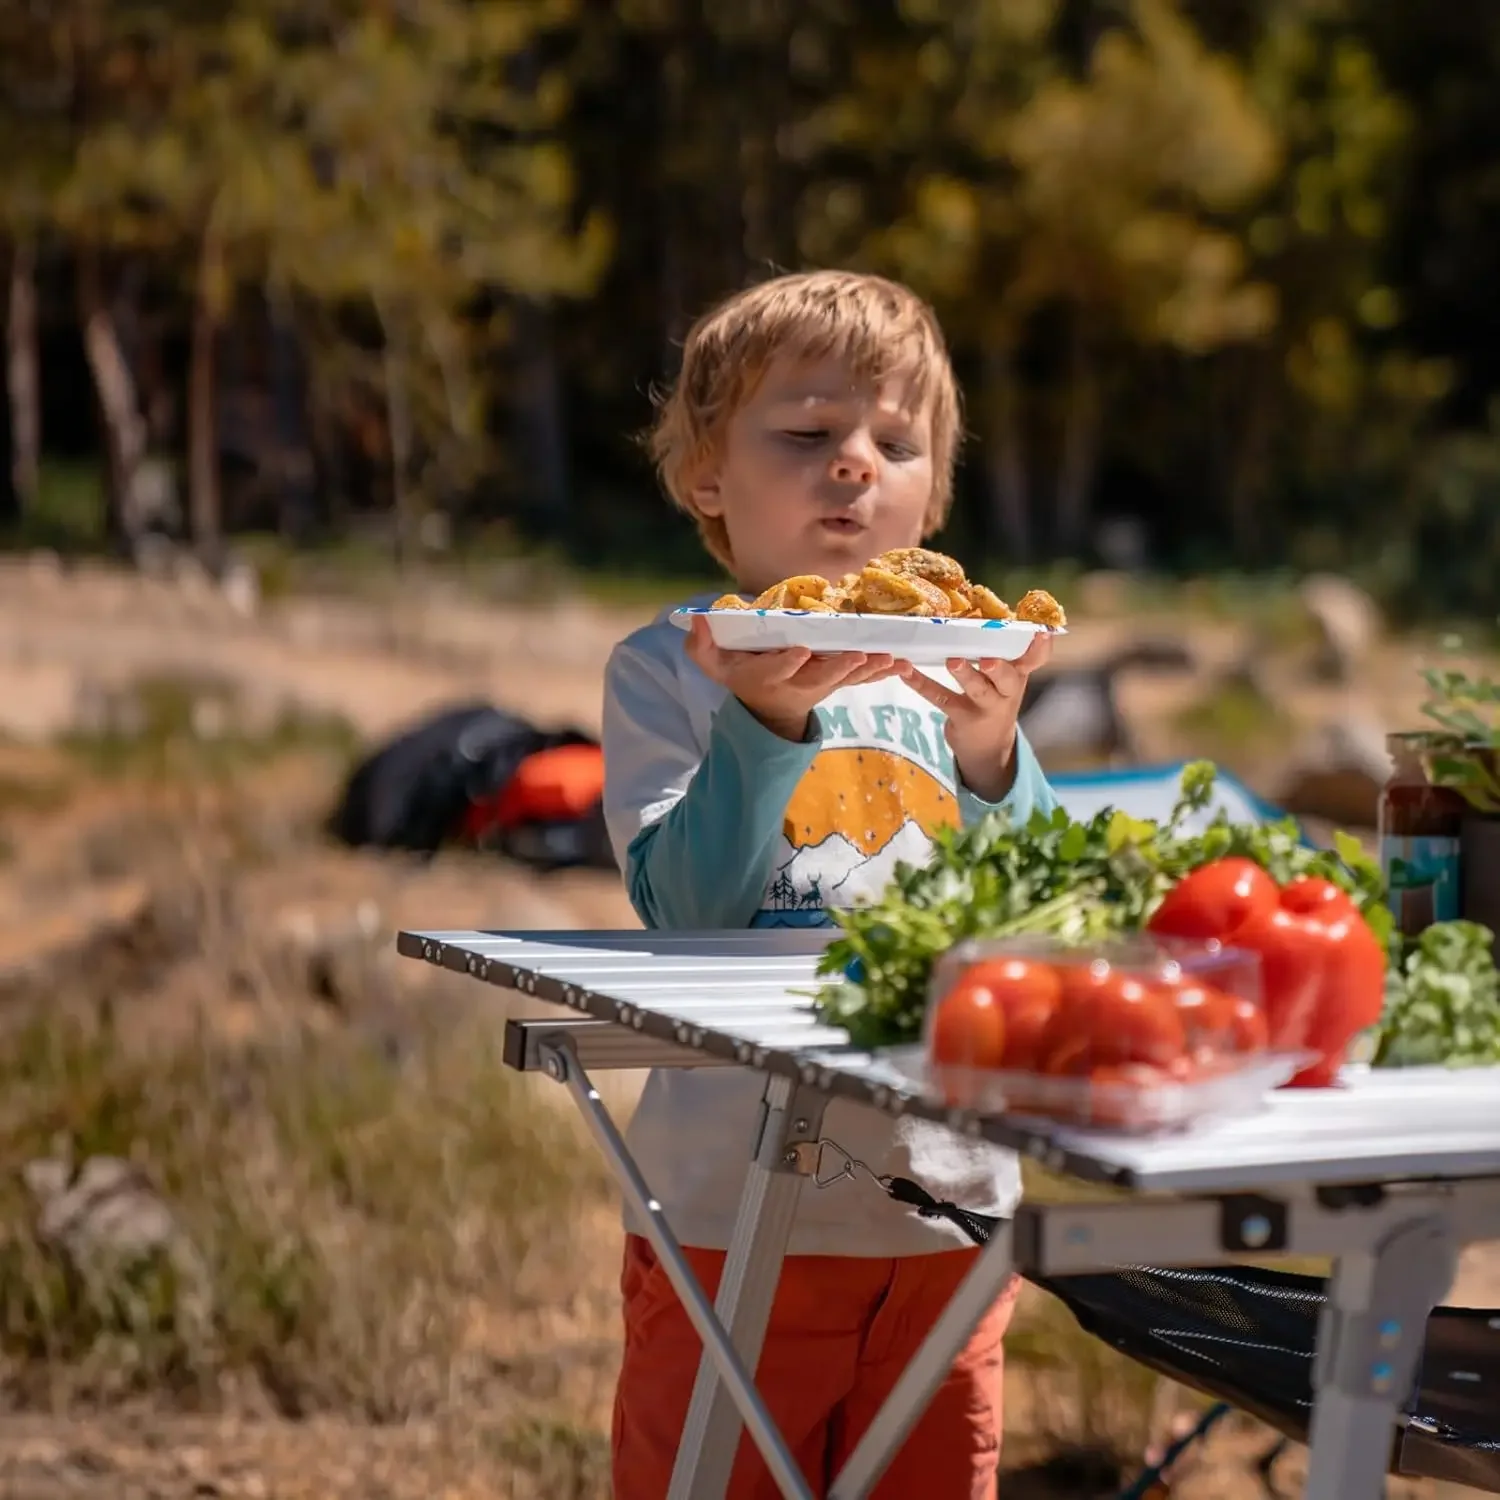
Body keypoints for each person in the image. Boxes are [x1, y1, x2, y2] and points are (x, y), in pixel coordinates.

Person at [601, 268, 1060, 1500]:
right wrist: (762, 720)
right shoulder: (673, 672)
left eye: (895, 441)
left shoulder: (958, 679)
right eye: (806, 435)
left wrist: (994, 760)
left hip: (951, 1206)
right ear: (708, 475)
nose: (855, 463)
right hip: (728, 1212)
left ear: (934, 489)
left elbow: (1046, 917)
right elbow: (687, 912)